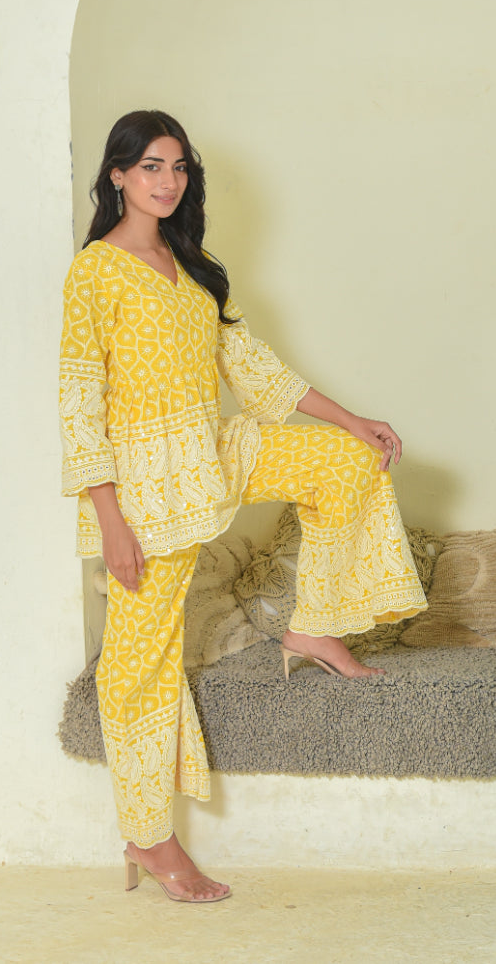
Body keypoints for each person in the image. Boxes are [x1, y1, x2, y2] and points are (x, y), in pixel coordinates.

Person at [59, 109, 427, 903]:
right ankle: (150, 837)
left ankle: (312, 622)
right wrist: (112, 520)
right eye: (151, 165)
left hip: (213, 451)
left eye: (179, 167)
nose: (167, 180)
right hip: (145, 491)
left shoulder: (192, 269)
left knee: (347, 460)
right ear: (117, 174)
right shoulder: (95, 270)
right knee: (139, 661)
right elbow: (79, 400)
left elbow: (254, 368)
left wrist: (351, 416)